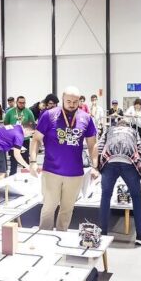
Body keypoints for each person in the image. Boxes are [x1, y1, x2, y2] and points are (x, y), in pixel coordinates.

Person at [29, 86, 98, 231]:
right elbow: (36, 139)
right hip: (51, 171)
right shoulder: (49, 115)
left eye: (75, 101)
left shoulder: (86, 118)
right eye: (68, 101)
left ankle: (62, 236)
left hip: (75, 173)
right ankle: (45, 236)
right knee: (49, 207)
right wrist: (33, 162)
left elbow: (93, 144)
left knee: (67, 210)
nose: (72, 105)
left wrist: (95, 166)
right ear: (62, 99)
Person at [96, 121, 141, 244]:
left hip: (109, 161)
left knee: (105, 196)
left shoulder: (109, 130)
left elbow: (99, 148)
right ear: (127, 126)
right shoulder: (133, 131)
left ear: (117, 126)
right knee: (136, 197)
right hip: (129, 163)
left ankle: (102, 234)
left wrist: (99, 167)